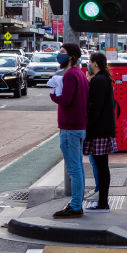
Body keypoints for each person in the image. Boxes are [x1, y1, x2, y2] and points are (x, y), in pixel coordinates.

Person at [49, 43, 89, 218]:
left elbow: (66, 100)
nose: (59, 55)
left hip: (70, 128)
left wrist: (53, 95)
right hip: (79, 127)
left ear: (71, 57)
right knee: (78, 167)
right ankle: (76, 203)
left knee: (74, 169)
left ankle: (75, 206)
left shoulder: (70, 75)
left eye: (63, 52)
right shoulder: (80, 74)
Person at [83, 52, 117, 212]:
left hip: (98, 130)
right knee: (102, 165)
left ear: (95, 63)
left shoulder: (99, 81)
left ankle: (103, 202)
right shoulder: (104, 79)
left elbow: (94, 108)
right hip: (104, 129)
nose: (88, 64)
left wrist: (87, 128)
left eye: (90, 62)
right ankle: (103, 201)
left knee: (101, 166)